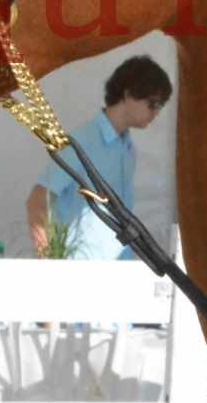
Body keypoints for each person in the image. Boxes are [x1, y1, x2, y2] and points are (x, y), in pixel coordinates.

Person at [25, 55, 172, 260]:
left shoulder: (129, 149)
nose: (156, 112)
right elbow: (38, 198)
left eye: (160, 106)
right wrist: (49, 259)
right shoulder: (81, 142)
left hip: (121, 264)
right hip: (81, 269)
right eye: (153, 104)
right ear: (128, 94)